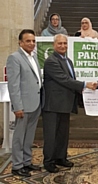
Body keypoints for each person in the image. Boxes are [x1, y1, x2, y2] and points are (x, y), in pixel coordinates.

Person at [42, 34, 93, 173]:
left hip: (65, 103)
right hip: (52, 105)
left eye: (65, 43)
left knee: (62, 134)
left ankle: (60, 157)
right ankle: (49, 161)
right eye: (60, 43)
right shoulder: (51, 61)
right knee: (51, 135)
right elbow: (64, 79)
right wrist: (84, 85)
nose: (63, 46)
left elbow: (70, 80)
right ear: (54, 45)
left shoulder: (68, 61)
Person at [6, 29, 43, 177]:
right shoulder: (14, 58)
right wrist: (17, 106)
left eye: (33, 41)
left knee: (29, 136)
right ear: (20, 42)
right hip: (23, 105)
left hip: (35, 103)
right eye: (28, 41)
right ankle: (17, 165)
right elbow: (13, 85)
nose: (32, 43)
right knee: (19, 137)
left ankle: (27, 162)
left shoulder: (33, 57)